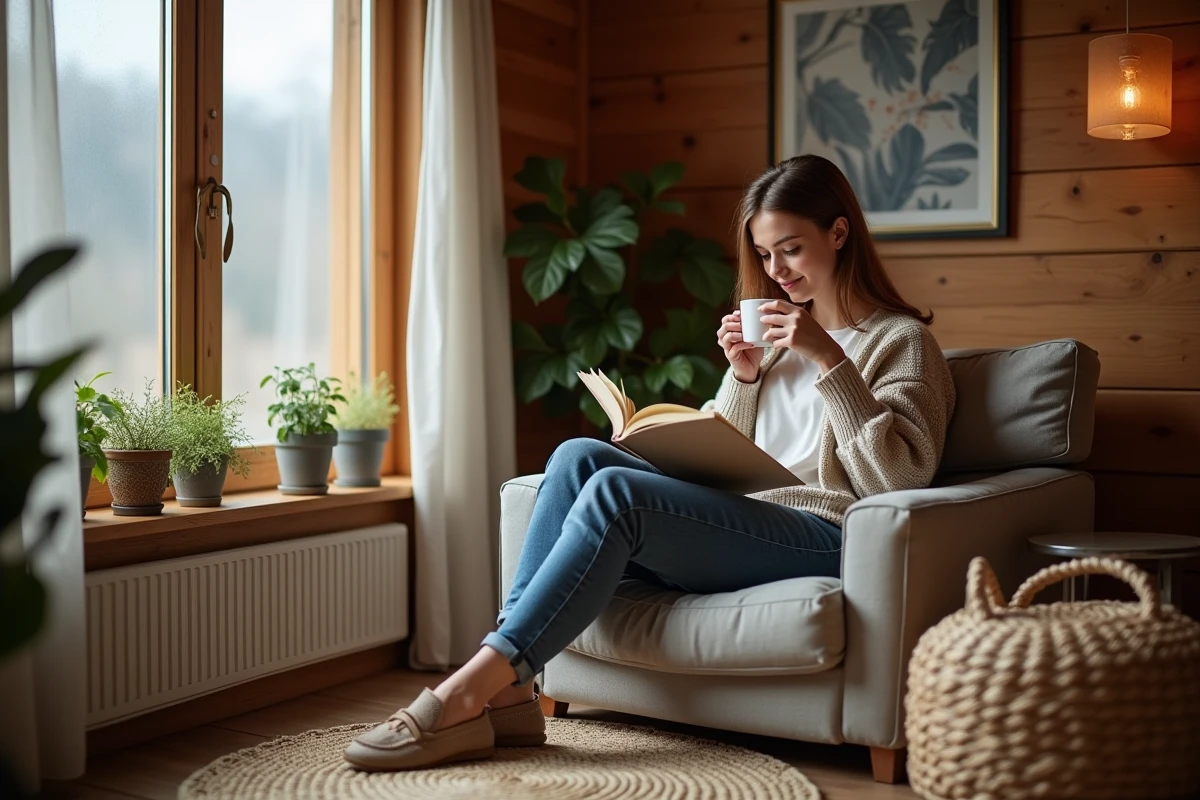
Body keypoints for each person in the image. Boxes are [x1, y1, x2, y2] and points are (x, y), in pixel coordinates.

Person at [343, 154, 957, 771]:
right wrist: (743, 378)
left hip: (827, 536)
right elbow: (731, 461)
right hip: (747, 520)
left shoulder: (902, 342)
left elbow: (902, 478)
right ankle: (509, 692)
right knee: (580, 455)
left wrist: (830, 360)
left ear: (839, 233)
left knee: (618, 494)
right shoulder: (771, 347)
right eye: (766, 255)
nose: (777, 271)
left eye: (790, 249)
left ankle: (475, 685)